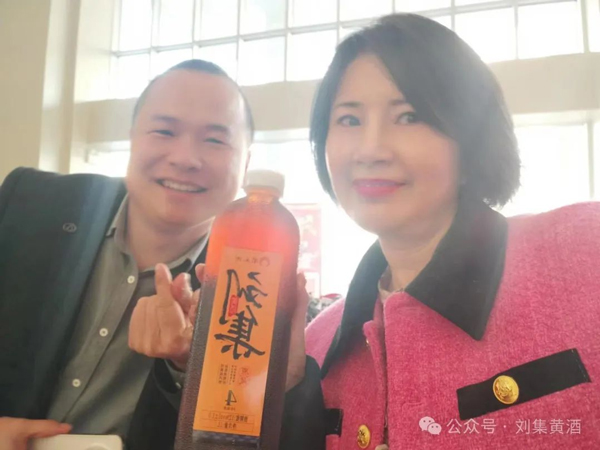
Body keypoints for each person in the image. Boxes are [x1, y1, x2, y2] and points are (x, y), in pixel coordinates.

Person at [280, 13, 600, 449]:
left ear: (471, 139)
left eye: (408, 116)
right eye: (349, 120)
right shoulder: (317, 348)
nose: (370, 150)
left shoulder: (584, 253)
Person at [0, 59, 254, 450]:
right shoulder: (30, 203)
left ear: (246, 163)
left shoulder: (251, 289)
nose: (185, 158)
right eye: (164, 131)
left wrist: (187, 364)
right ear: (133, 138)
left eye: (215, 140)